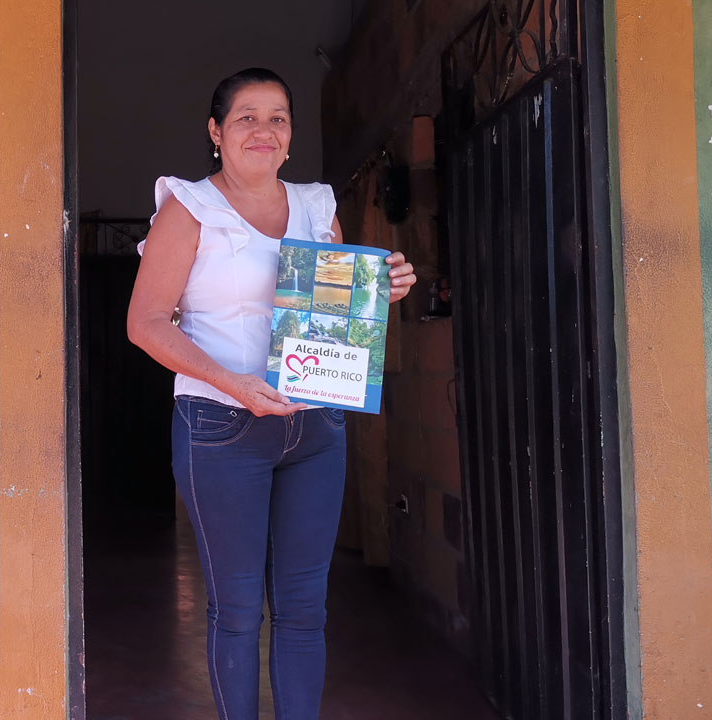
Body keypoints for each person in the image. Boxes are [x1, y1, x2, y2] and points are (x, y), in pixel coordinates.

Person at [126, 68, 416, 720]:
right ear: (216, 133)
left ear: (290, 133)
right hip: (221, 426)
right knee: (234, 611)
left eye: (278, 117)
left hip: (313, 427)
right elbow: (143, 322)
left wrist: (380, 287)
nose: (264, 130)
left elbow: (336, 302)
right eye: (246, 117)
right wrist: (234, 385)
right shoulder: (190, 208)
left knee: (304, 610)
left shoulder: (316, 206)